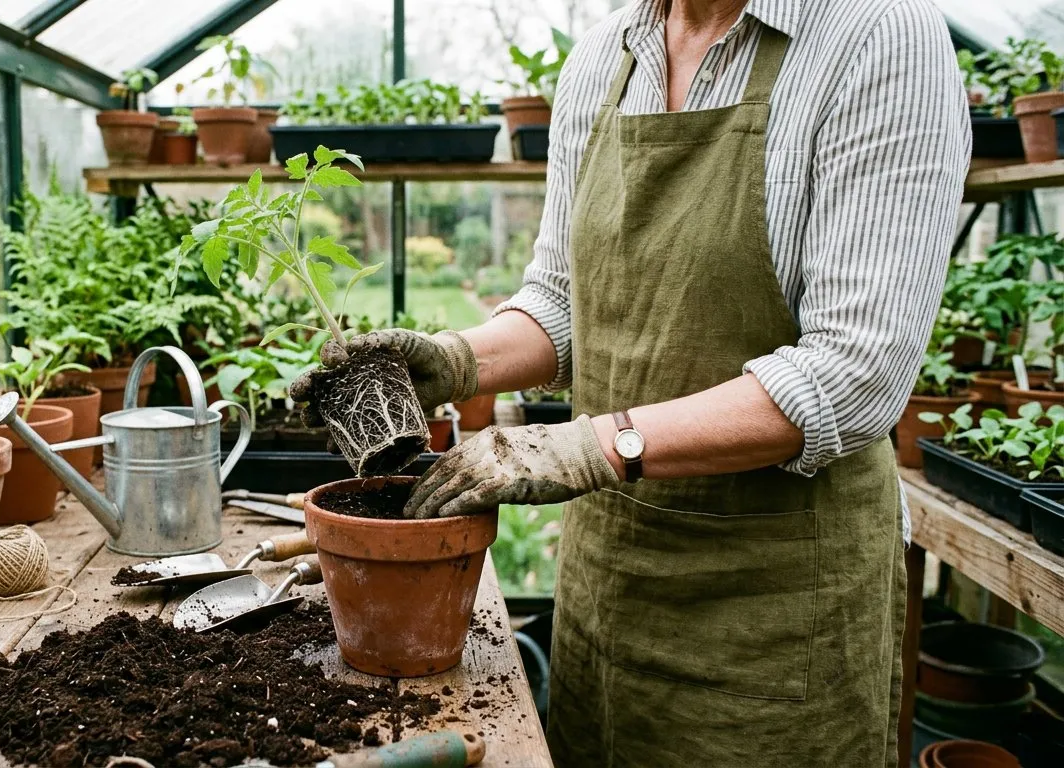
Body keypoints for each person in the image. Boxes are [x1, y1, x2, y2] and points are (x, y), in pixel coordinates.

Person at [292, 0, 970, 764]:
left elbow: (856, 370)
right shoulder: (604, 56)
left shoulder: (875, 36)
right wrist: (455, 361)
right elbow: (563, 302)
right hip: (612, 578)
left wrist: (590, 445)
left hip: (778, 603)